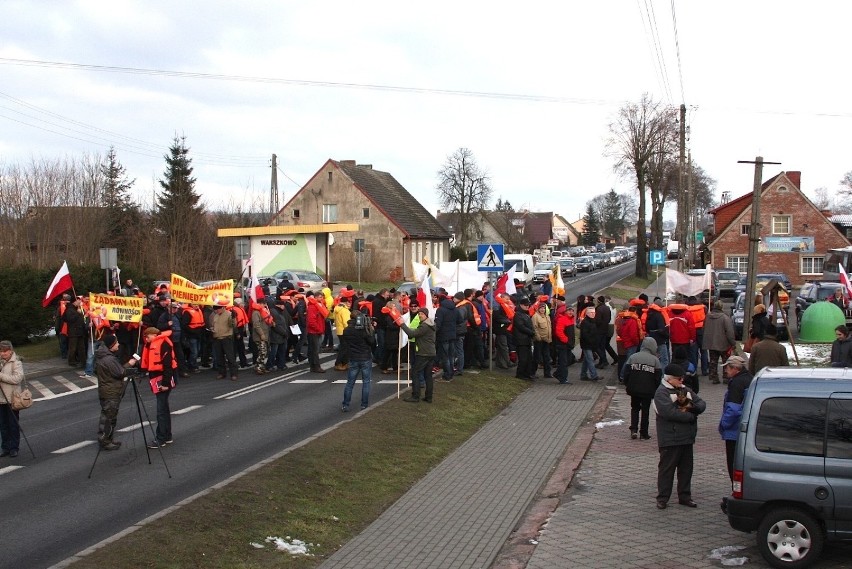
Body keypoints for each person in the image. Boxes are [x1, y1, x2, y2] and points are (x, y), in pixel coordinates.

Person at [653, 363, 706, 509]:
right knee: (666, 469)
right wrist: (690, 415)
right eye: (679, 379)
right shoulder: (662, 393)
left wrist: (691, 409)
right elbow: (669, 413)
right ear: (669, 379)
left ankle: (685, 496)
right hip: (670, 438)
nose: (682, 381)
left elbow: (700, 403)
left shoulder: (682, 390)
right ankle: (663, 498)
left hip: (686, 437)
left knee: (686, 469)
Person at [94, 334, 138, 450]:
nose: (118, 344)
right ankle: (105, 441)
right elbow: (121, 372)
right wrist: (131, 364)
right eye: (116, 342)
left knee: (110, 416)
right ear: (111, 345)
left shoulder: (103, 356)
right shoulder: (108, 359)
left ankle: (108, 439)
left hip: (107, 390)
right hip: (111, 392)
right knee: (108, 417)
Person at [140, 327, 177, 448]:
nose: (146, 338)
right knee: (164, 408)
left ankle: (161, 438)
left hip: (162, 379)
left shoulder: (163, 344)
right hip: (157, 378)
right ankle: (167, 435)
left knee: (161, 410)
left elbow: (168, 365)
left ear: (154, 334)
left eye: (148, 336)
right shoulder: (152, 344)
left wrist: (165, 384)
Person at [718, 355, 753, 480]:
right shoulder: (750, 379)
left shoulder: (736, 384)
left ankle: (735, 491)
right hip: (746, 428)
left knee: (733, 464)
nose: (725, 370)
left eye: (727, 368)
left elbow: (733, 409)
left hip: (734, 431)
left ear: (735, 368)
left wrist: (723, 424)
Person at [623, 337, 662, 440]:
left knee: (635, 408)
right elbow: (658, 378)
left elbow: (626, 373)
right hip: (648, 391)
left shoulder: (633, 357)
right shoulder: (655, 360)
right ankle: (644, 432)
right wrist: (655, 389)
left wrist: (627, 384)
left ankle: (633, 429)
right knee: (646, 410)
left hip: (634, 389)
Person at [340, 310, 377, 412]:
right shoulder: (363, 330)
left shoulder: (347, 330)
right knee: (366, 382)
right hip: (365, 357)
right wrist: (371, 330)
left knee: (350, 383)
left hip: (353, 357)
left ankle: (345, 404)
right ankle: (364, 405)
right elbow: (372, 342)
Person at [399, 307, 437, 403]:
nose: (420, 315)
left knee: (415, 373)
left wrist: (402, 324)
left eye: (422, 314)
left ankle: (415, 396)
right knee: (428, 375)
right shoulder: (430, 324)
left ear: (426, 315)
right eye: (419, 314)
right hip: (430, 352)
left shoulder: (424, 326)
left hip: (423, 353)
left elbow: (412, 333)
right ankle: (429, 397)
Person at [701, 300, 735, 385]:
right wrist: (732, 343)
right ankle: (726, 377)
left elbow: (703, 328)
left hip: (711, 343)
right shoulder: (725, 318)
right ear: (721, 307)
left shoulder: (708, 317)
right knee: (725, 362)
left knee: (713, 361)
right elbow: (729, 332)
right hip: (724, 344)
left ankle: (714, 377)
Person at [0, 340, 24, 458]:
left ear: (11, 351)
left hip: (12, 398)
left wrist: (1, 376)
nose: (3, 353)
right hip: (1, 399)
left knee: (13, 424)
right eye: (1, 351)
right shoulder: (0, 362)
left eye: (5, 351)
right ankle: (5, 447)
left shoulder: (16, 362)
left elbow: (17, 379)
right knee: (3, 425)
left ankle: (14, 447)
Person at [210, 304, 239, 380]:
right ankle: (222, 373)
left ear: (223, 308)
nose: (216, 311)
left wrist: (233, 318)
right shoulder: (215, 316)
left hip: (226, 337)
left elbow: (232, 325)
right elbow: (213, 324)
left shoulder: (229, 314)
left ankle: (234, 374)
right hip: (217, 338)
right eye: (215, 310)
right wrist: (212, 328)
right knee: (219, 357)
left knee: (230, 357)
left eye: (217, 309)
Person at [513, 297, 535, 380]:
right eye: (525, 305)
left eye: (528, 305)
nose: (527, 306)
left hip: (526, 339)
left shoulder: (525, 313)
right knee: (523, 359)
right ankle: (520, 374)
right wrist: (531, 332)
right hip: (521, 340)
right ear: (521, 305)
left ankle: (527, 374)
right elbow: (521, 326)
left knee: (529, 358)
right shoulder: (518, 314)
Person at [552, 303, 575, 384]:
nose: (571, 312)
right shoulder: (562, 319)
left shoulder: (571, 319)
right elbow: (559, 332)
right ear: (565, 312)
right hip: (562, 345)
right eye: (569, 311)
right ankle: (563, 378)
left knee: (568, 360)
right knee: (564, 362)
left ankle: (557, 373)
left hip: (568, 345)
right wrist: (566, 340)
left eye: (572, 311)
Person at [305, 292, 327, 374]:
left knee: (314, 349)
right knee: (315, 350)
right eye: (320, 297)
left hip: (315, 330)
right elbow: (311, 321)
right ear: (316, 297)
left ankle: (314, 366)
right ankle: (316, 366)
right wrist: (318, 329)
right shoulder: (313, 307)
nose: (321, 299)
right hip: (314, 331)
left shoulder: (316, 306)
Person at [532, 302, 553, 379]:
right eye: (541, 308)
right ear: (538, 309)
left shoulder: (547, 316)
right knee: (536, 357)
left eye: (544, 308)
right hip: (539, 340)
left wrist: (549, 338)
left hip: (546, 340)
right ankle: (532, 373)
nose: (542, 310)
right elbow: (535, 328)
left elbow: (549, 327)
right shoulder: (535, 317)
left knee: (547, 357)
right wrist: (538, 338)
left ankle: (547, 373)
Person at [579, 306, 599, 381]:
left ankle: (583, 375)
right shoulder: (585, 322)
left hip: (591, 344)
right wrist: (591, 341)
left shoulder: (593, 321)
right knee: (590, 360)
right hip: (586, 344)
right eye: (591, 313)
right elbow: (585, 335)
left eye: (594, 312)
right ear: (587, 313)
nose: (593, 314)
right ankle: (594, 376)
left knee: (586, 360)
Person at [333, 296, 352, 371]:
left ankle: (343, 363)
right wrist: (350, 330)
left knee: (343, 347)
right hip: (345, 331)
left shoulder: (336, 308)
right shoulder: (345, 310)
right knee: (344, 349)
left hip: (339, 330)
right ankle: (339, 363)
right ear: (347, 302)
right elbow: (346, 322)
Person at [594, 296, 613, 368]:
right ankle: (601, 362)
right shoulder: (607, 308)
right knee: (602, 346)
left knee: (596, 346)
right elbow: (609, 318)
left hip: (599, 330)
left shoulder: (599, 309)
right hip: (605, 329)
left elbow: (598, 320)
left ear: (598, 301)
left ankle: (604, 360)